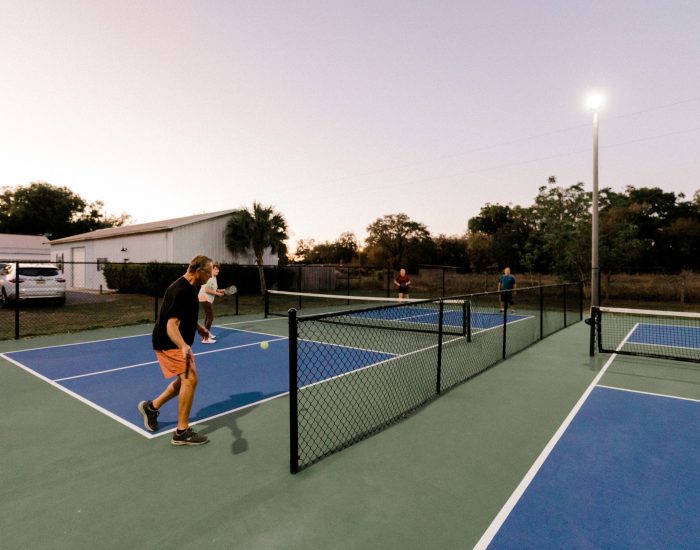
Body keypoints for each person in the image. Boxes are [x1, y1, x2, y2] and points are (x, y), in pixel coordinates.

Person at [138, 255, 214, 446]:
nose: (212, 274)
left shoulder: (191, 286)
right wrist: (182, 346)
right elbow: (171, 325)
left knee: (183, 381)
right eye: (209, 271)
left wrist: (198, 327)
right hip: (168, 342)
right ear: (198, 271)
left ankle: (151, 408)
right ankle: (181, 432)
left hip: (173, 342)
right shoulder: (180, 290)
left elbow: (184, 314)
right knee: (191, 379)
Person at [198, 261, 225, 344]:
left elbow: (212, 289)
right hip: (204, 298)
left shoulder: (214, 278)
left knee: (208, 317)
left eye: (218, 269)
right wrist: (217, 294)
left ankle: (207, 334)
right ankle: (205, 338)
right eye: (215, 269)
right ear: (211, 269)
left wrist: (221, 290)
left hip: (207, 299)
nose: (217, 271)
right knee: (210, 317)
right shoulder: (209, 277)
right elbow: (207, 289)